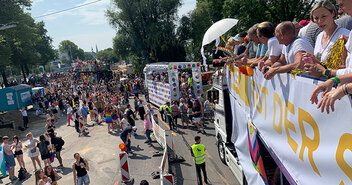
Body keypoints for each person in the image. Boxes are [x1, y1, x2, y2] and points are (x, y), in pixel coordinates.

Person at [303, 0, 350, 78]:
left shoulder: (345, 35)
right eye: (316, 18)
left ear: (333, 14)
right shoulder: (319, 36)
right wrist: (314, 61)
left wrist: (323, 71)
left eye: (324, 16)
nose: (320, 21)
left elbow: (347, 68)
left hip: (337, 85)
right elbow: (323, 66)